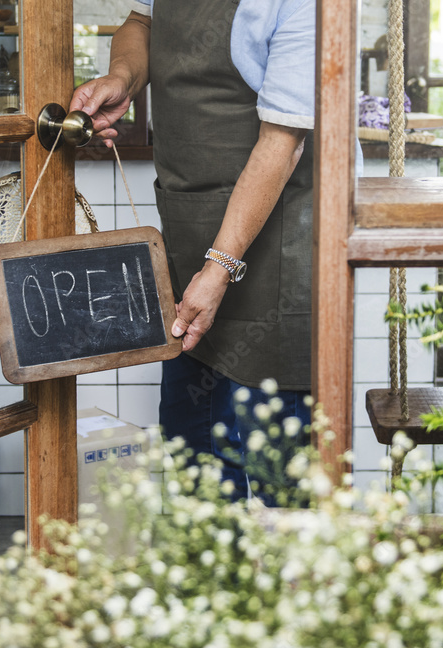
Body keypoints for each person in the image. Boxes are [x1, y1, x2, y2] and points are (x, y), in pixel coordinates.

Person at [70, 0, 323, 503]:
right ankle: (208, 574)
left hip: (280, 236)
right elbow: (141, 22)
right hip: (193, 227)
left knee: (280, 461)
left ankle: (285, 578)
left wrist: (220, 268)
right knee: (194, 442)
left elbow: (282, 141)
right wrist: (123, 76)